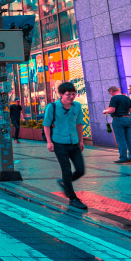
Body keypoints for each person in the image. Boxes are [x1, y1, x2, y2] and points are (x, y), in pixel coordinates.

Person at [44, 82, 88, 210]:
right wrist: (49, 142)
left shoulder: (77, 106)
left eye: (73, 94)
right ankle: (73, 197)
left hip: (74, 143)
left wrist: (81, 141)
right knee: (66, 170)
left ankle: (65, 182)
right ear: (60, 94)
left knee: (80, 170)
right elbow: (46, 125)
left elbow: (79, 124)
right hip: (59, 143)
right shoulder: (52, 107)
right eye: (68, 95)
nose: (71, 97)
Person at [104, 86, 131, 163]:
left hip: (118, 119)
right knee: (129, 139)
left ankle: (123, 158)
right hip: (127, 119)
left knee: (121, 140)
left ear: (111, 91)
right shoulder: (127, 98)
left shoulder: (114, 98)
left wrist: (106, 111)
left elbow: (112, 109)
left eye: (110, 92)